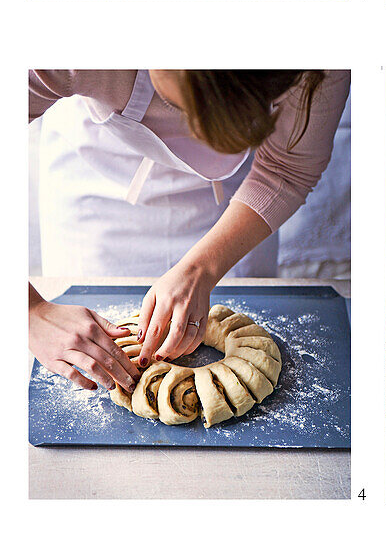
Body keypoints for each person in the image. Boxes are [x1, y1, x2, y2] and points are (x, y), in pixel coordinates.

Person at [28, 69, 350, 394]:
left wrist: (203, 267)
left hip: (235, 205)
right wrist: (29, 310)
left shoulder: (318, 60)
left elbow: (287, 168)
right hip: (94, 185)